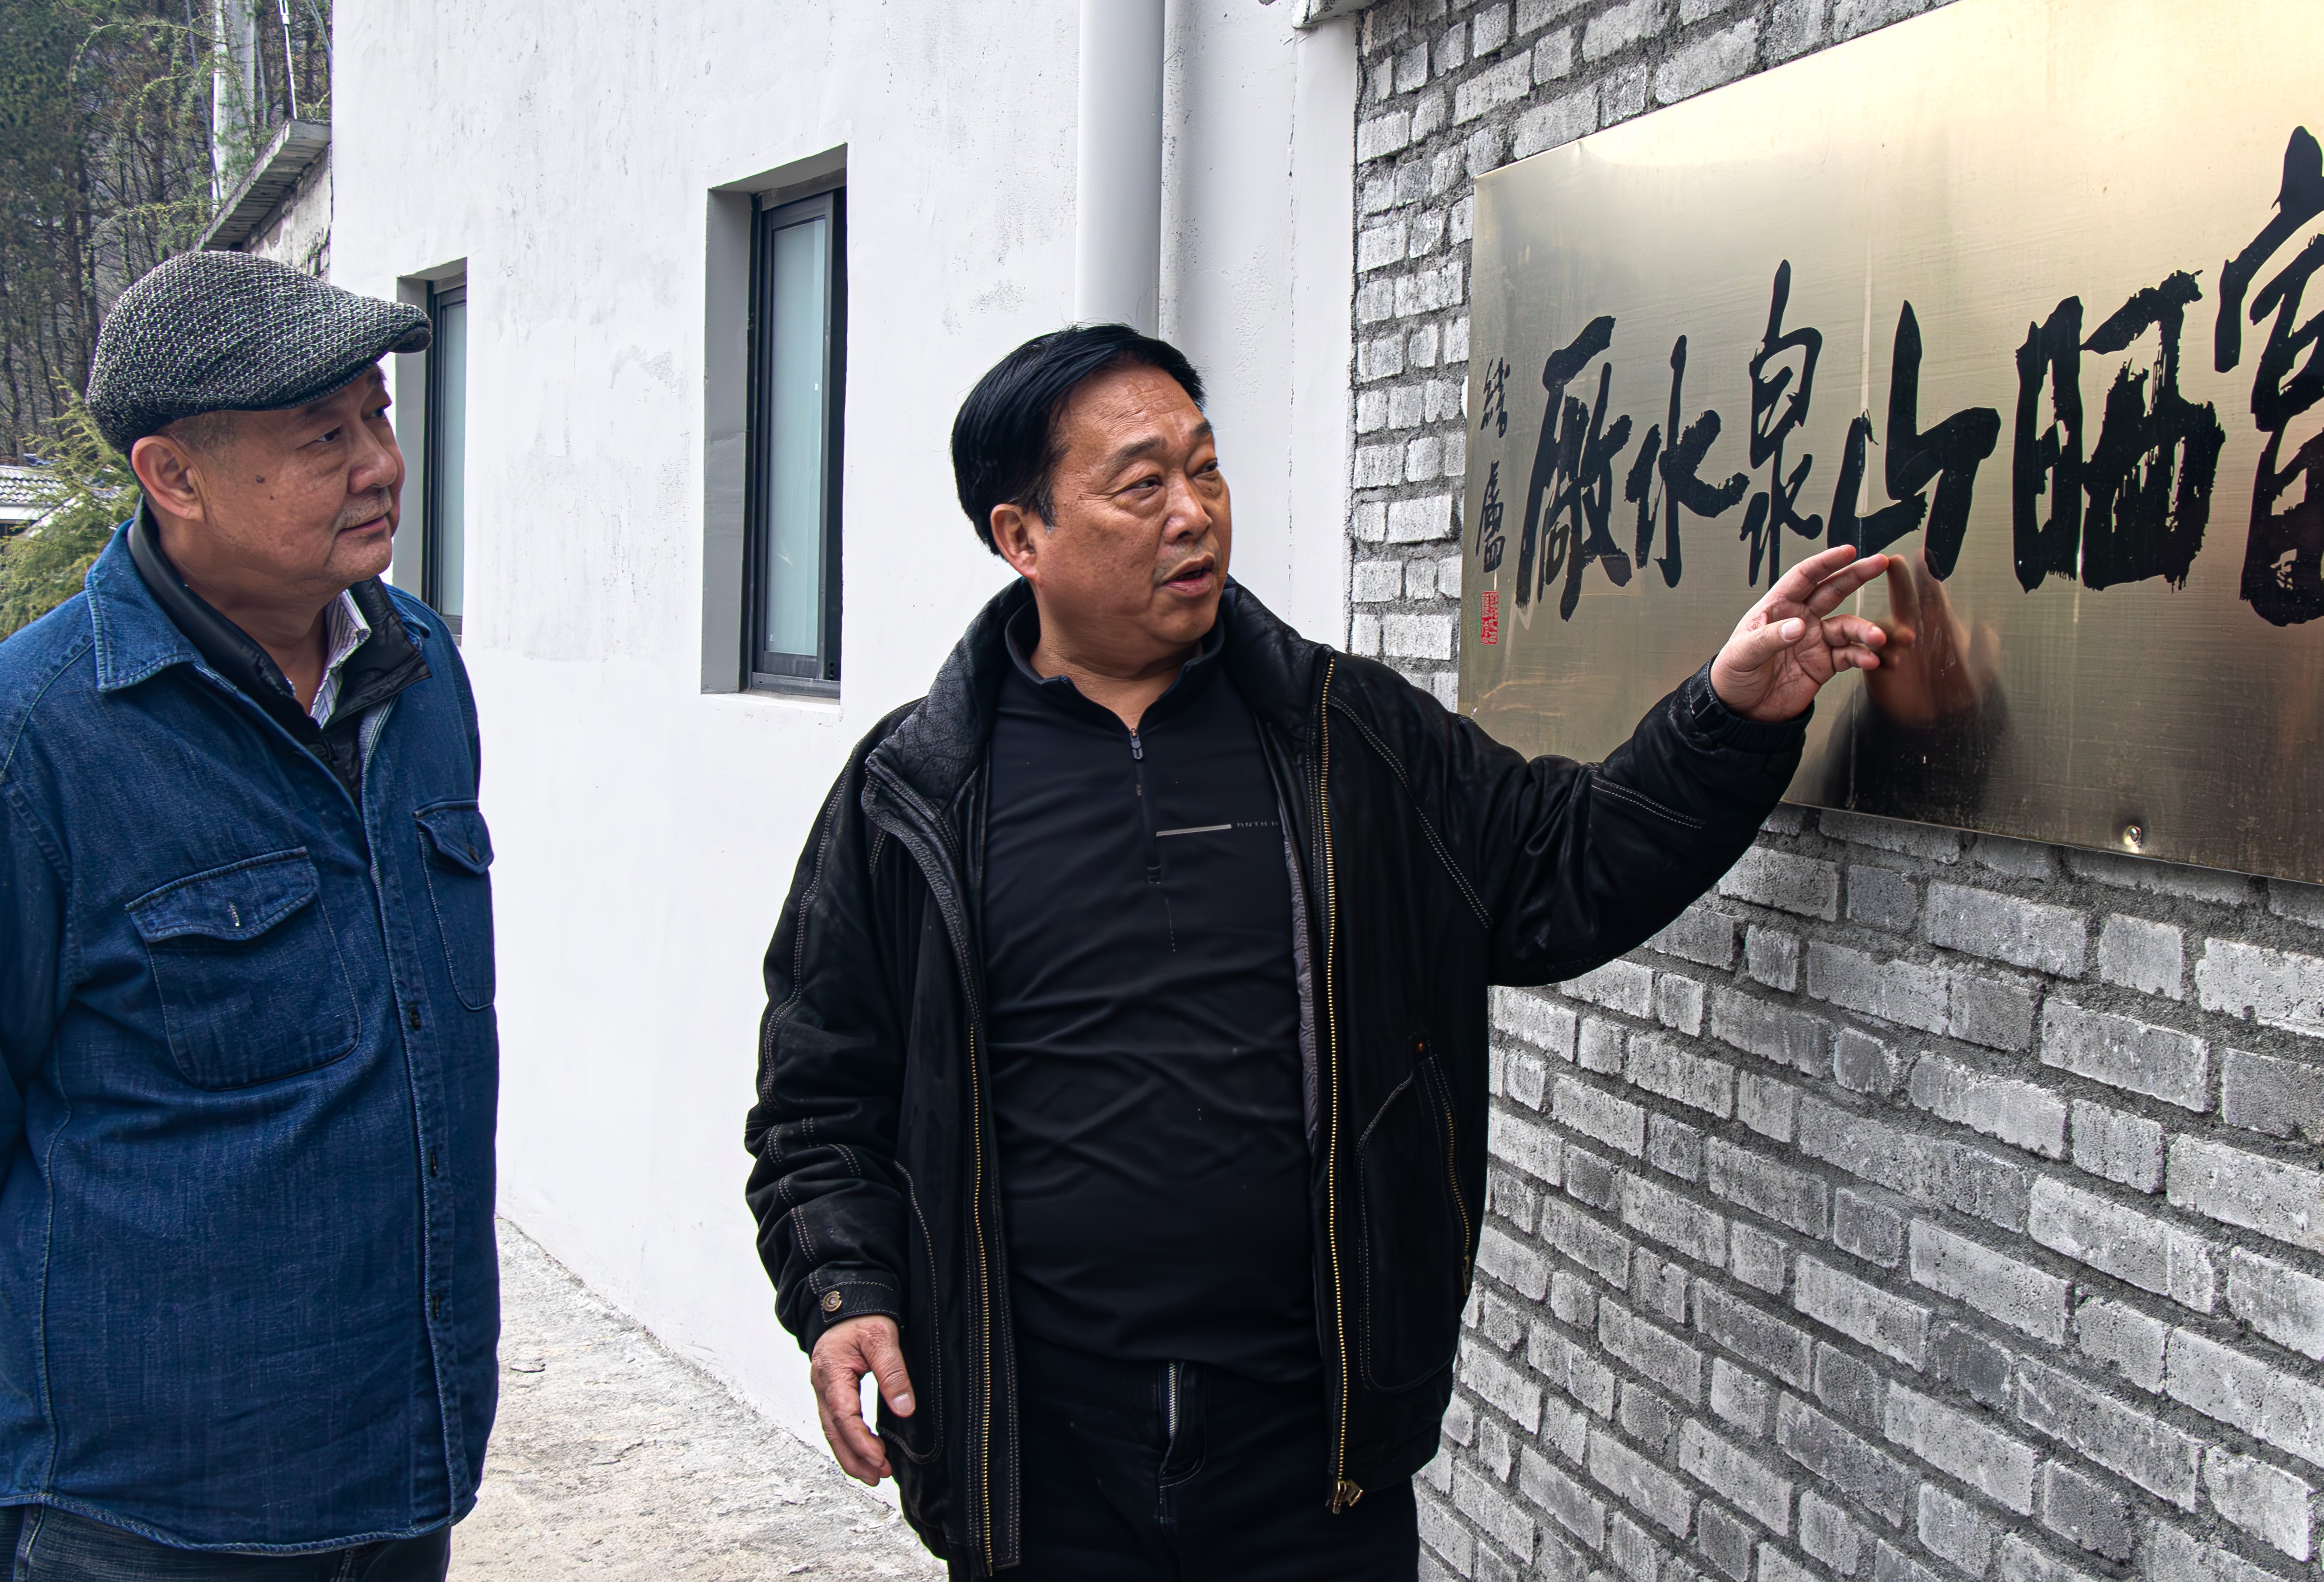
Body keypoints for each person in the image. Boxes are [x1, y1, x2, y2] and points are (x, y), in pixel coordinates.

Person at [745, 323, 1890, 1580]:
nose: (1194, 512)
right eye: (1142, 484)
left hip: (1310, 1456)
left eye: (1205, 468)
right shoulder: (914, 794)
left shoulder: (1345, 739)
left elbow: (1557, 868)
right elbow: (819, 1097)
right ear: (1022, 536)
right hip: (1036, 1462)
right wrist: (844, 1288)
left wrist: (1725, 718)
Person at [0, 251, 497, 1581]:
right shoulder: (18, 745)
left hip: (402, 1466)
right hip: (145, 1507)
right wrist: (31, 1400)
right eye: (323, 438)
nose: (380, 465)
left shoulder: (418, 670)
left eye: (377, 416)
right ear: (173, 476)